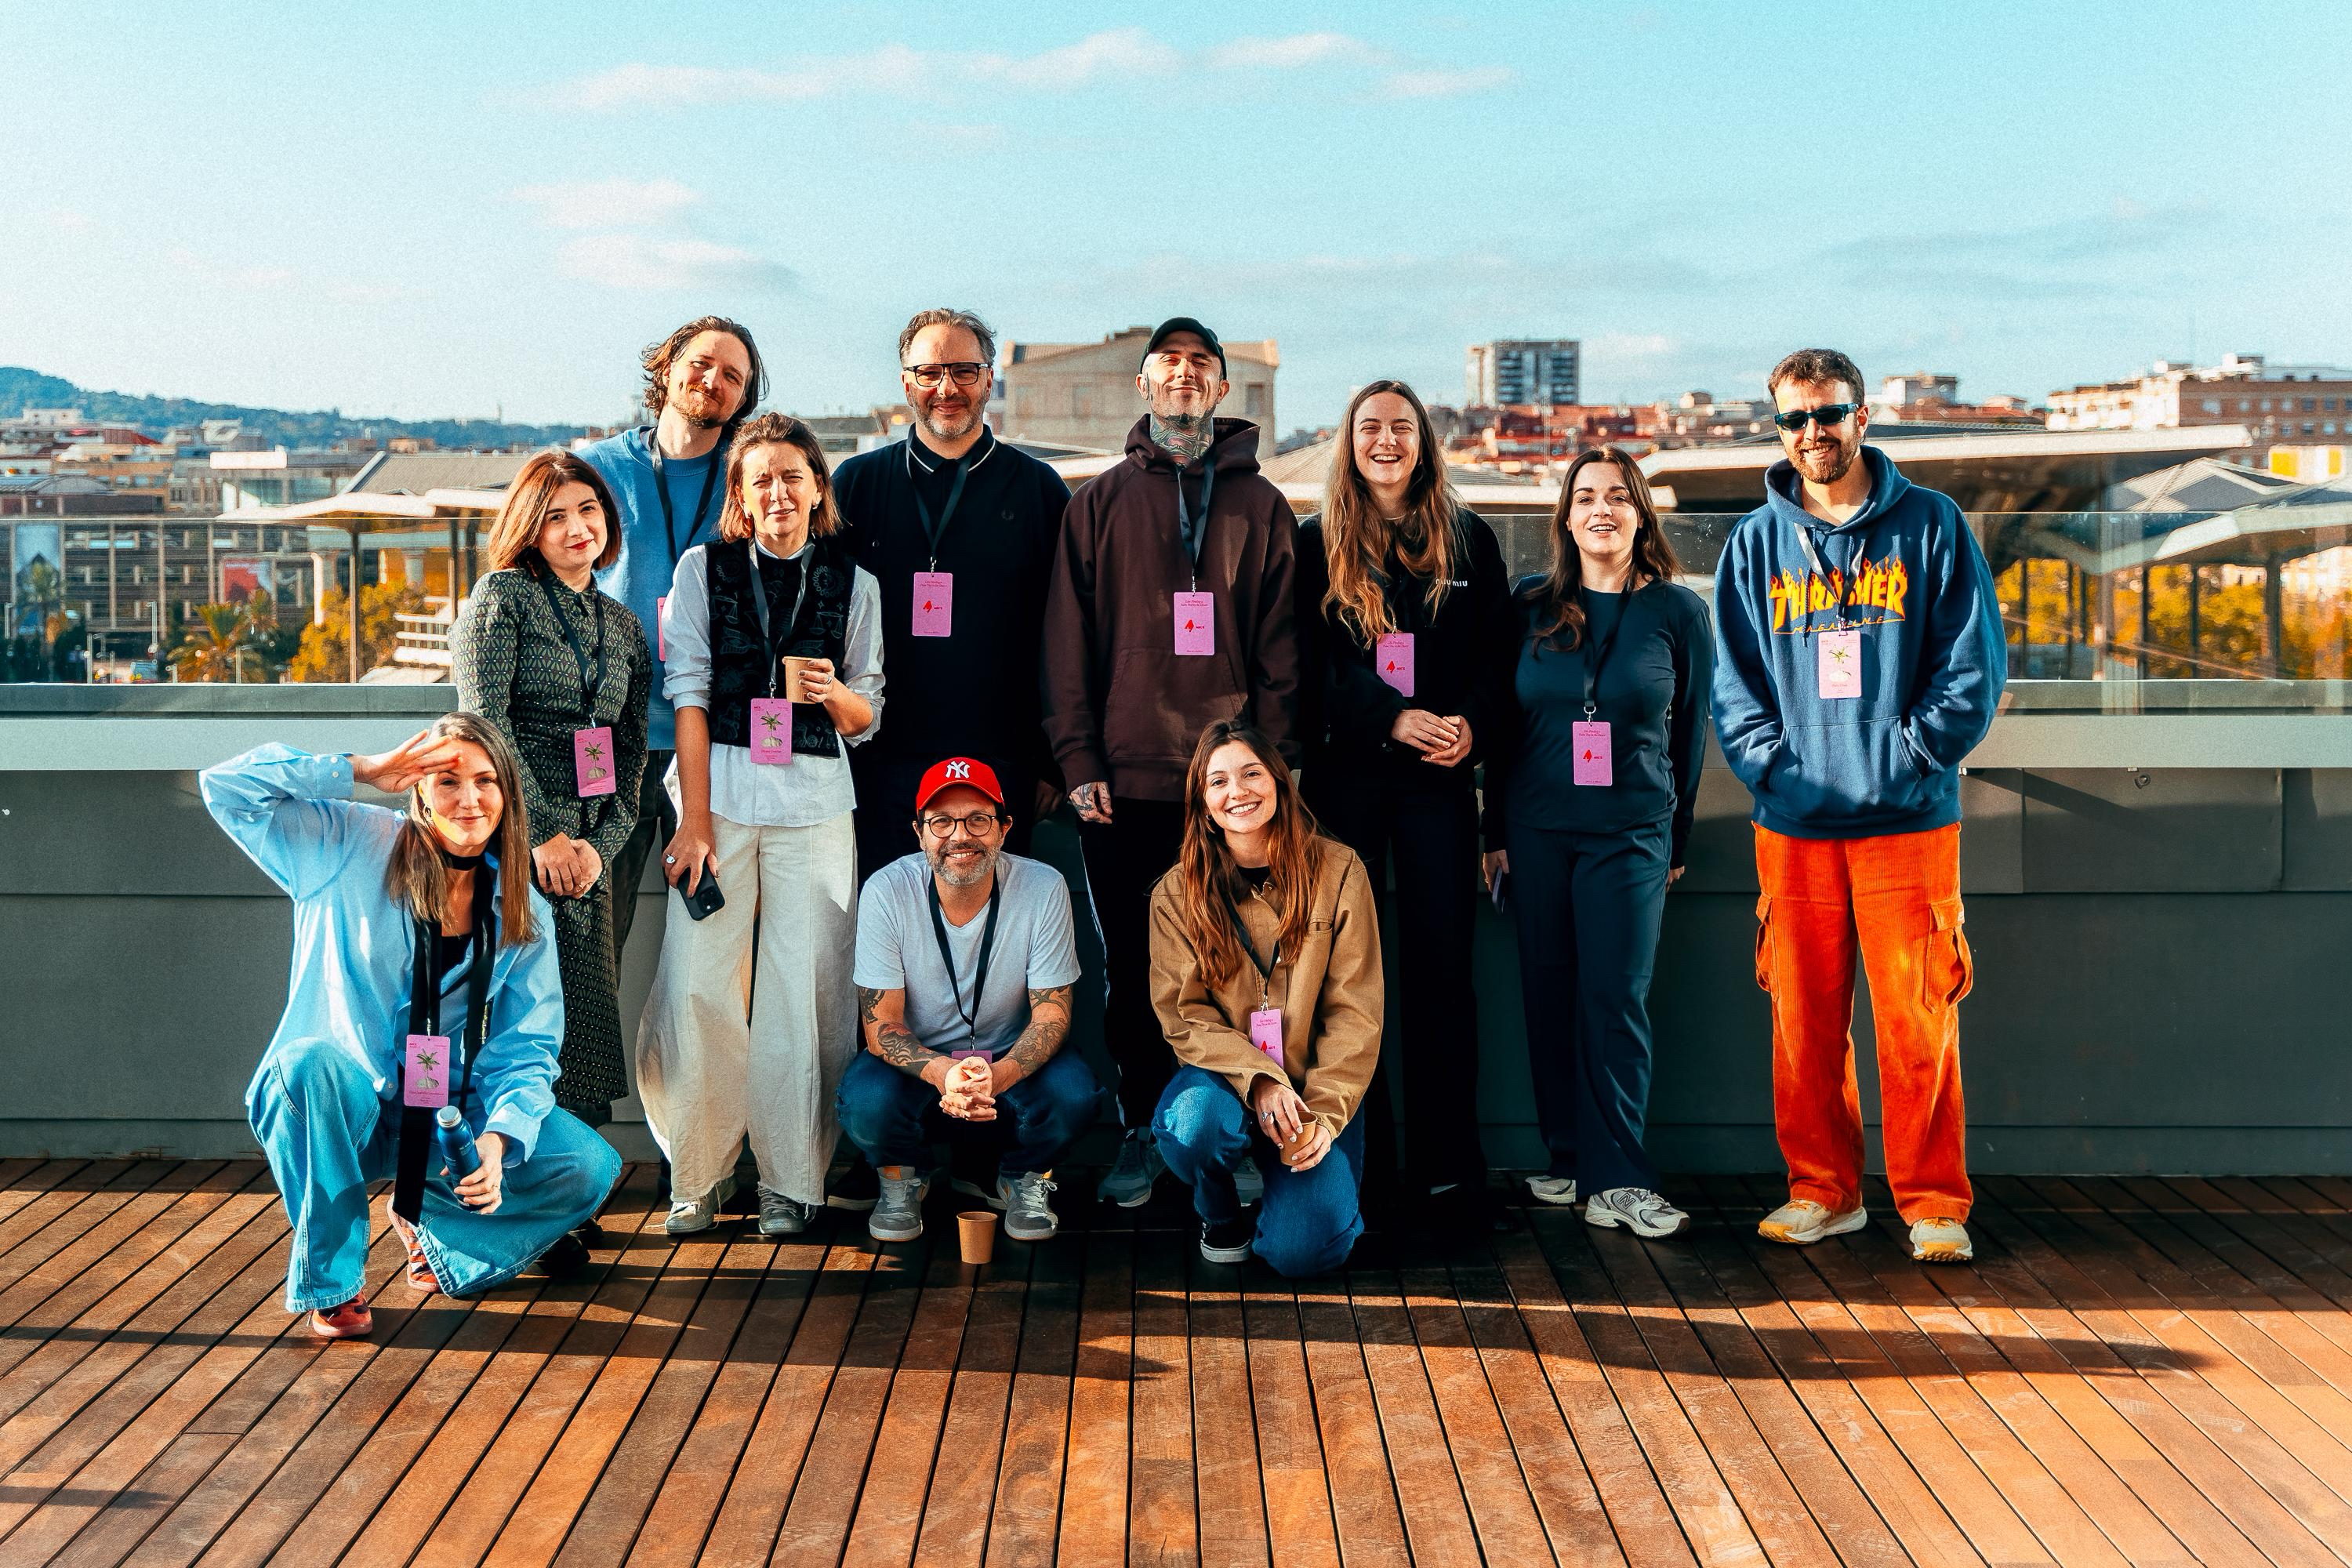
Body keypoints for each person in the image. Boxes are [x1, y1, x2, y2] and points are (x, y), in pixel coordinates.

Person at [1711, 348, 2005, 1264]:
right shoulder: (1755, 544)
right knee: (1803, 1020)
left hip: (1908, 820)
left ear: (1863, 415)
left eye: (1828, 414)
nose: (1813, 435)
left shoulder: (1933, 525)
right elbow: (1733, 686)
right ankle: (1823, 1190)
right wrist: (1777, 771)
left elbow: (1974, 669)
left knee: (1917, 1016)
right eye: (1794, 420)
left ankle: (1932, 1203)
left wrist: (1908, 753)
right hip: (1794, 823)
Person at [201, 720, 622, 1339]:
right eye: (448, 781)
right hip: (342, 1103)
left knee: (586, 1164)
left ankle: (433, 1225)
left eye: (486, 782)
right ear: (420, 791)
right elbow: (226, 788)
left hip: (440, 1113)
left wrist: (499, 1144)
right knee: (305, 1065)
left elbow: (524, 1047)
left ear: (508, 795)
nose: (469, 799)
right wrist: (360, 771)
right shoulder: (344, 842)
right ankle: (335, 1283)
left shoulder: (519, 903)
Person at [1042, 316, 1300, 1207]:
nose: (1185, 378)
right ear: (1144, 387)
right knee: (1135, 977)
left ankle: (1223, 1129)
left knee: (1240, 964)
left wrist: (1270, 772)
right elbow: (1067, 647)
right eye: (1168, 366)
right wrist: (1079, 759)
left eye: (1202, 366)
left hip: (1232, 793)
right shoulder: (1099, 503)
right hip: (1123, 784)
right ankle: (1145, 1128)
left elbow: (1280, 651)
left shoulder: (1263, 506)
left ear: (1222, 389)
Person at [636, 413, 885, 1238]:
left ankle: (793, 1177)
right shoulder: (704, 569)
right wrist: (694, 820)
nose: (778, 492)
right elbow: (691, 695)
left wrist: (831, 695)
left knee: (807, 991)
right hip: (720, 799)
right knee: (700, 981)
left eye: (792, 476)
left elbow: (867, 712)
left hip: (816, 803)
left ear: (818, 488)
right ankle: (698, 1172)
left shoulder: (857, 581)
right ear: (741, 496)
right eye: (761, 480)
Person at [1295, 379, 1515, 1229]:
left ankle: (1449, 1172)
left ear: (1425, 440)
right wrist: (1390, 714)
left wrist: (1474, 728)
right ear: (1347, 443)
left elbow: (1500, 659)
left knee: (1441, 975)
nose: (1386, 440)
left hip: (1438, 786)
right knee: (1349, 978)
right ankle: (1366, 1169)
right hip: (1348, 780)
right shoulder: (1314, 541)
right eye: (1369, 427)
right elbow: (1309, 665)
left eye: (1401, 427)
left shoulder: (1471, 540)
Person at [1481, 446, 1713, 1239]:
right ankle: (1569, 1155)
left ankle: (1616, 1178)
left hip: (1630, 835)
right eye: (1586, 496)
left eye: (1618, 496)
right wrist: (1495, 832)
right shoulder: (1529, 603)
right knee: (1548, 993)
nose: (1601, 509)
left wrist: (1674, 838)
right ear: (1566, 515)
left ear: (1641, 512)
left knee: (1614, 999)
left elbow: (1691, 737)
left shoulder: (1680, 612)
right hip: (1537, 831)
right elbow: (1503, 728)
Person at [452, 450, 652, 1160]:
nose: (577, 528)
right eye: (556, 516)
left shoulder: (623, 627)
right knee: (513, 1018)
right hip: (512, 837)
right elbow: (484, 724)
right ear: (528, 526)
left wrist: (599, 844)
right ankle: (498, 1184)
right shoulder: (501, 599)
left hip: (588, 856)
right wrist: (544, 835)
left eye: (589, 510)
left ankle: (568, 1191)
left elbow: (629, 757)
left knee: (585, 1014)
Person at [835, 308, 1072, 869]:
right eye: (930, 372)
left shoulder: (1039, 489)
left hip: (1004, 762)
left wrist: (1053, 762)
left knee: (991, 940)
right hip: (881, 760)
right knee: (891, 933)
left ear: (990, 379)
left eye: (965, 371)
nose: (947, 388)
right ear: (905, 383)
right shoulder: (857, 486)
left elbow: (1068, 635)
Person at [1149, 722, 1381, 1273]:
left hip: (1311, 1091)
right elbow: (1184, 1016)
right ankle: (1221, 1212)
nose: (1239, 792)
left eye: (1252, 773)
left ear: (1279, 782)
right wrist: (1258, 1078)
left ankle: (1290, 1194)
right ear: (1204, 805)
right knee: (1197, 1124)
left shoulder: (1341, 870)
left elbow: (1356, 1011)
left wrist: (1323, 1116)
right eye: (1219, 782)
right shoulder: (1175, 893)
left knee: (1304, 1253)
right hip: (1224, 1082)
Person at [839, 757, 1096, 1244]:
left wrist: (997, 1075)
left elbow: (1051, 1014)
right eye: (942, 821)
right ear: (919, 833)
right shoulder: (887, 890)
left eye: (979, 819)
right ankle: (901, 1178)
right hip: (922, 1059)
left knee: (1073, 1094)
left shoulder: (1043, 886)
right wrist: (944, 1073)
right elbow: (881, 1025)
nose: (961, 835)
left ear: (1004, 829)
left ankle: (1026, 1177)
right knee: (866, 1099)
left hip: (1010, 1053)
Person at [582, 315, 767, 960]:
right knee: (592, 947)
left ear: (745, 398)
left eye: (733, 376)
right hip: (608, 746)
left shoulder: (751, 478)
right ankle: (587, 1066)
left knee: (718, 952)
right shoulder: (594, 469)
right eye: (701, 363)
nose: (713, 380)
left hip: (716, 748)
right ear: (666, 367)